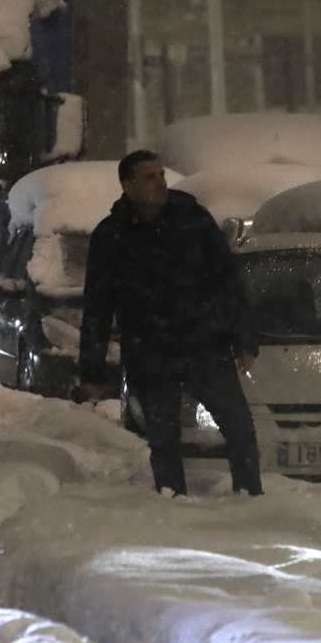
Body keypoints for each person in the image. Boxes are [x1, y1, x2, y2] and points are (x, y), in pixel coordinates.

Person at [78, 150, 262, 497]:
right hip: (150, 351)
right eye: (149, 177)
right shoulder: (112, 235)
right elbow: (98, 304)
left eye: (161, 175)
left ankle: (249, 495)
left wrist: (243, 337)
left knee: (238, 428)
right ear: (128, 184)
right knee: (163, 437)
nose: (160, 183)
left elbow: (227, 281)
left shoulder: (192, 220)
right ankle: (172, 500)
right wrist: (92, 369)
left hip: (204, 343)